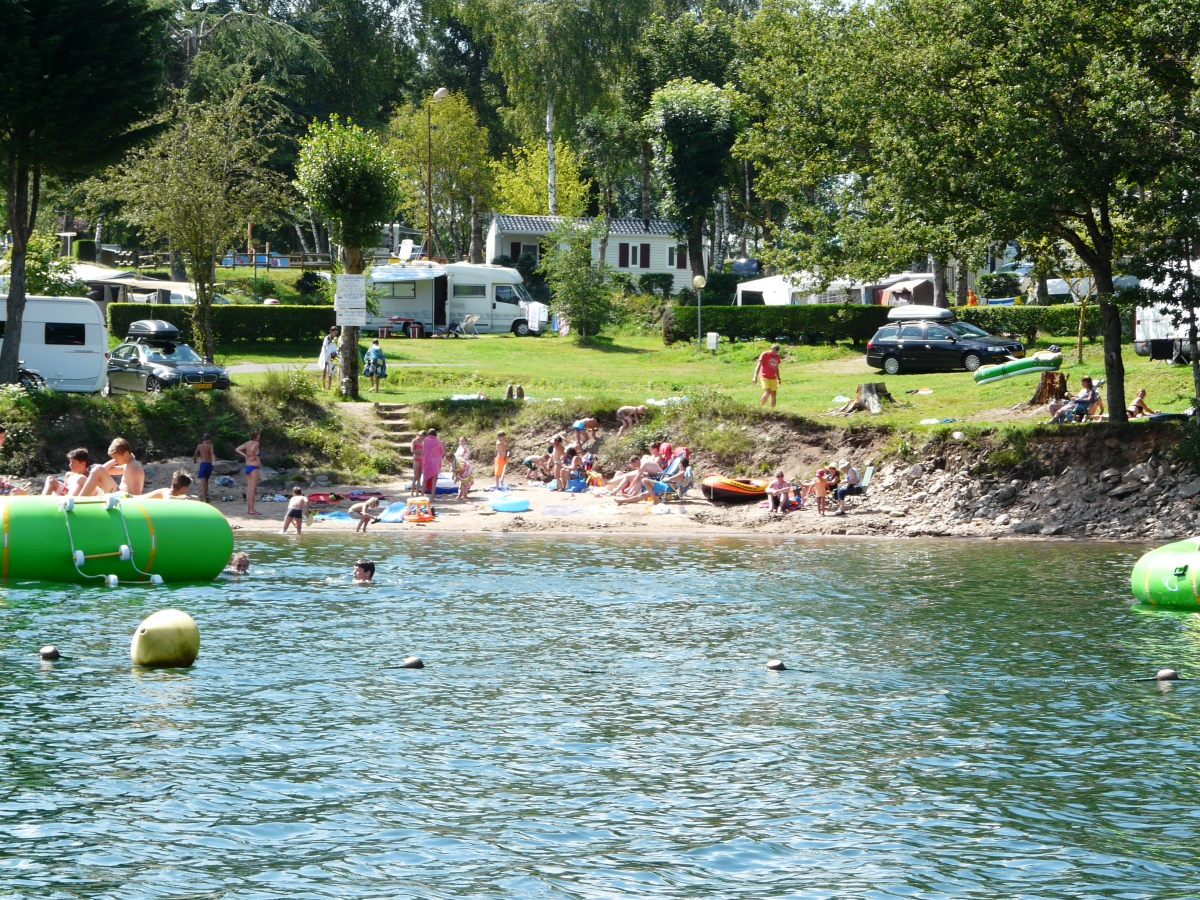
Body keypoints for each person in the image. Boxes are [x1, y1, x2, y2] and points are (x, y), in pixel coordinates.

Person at [78, 437, 145, 496]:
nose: (115, 461)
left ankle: (78, 502)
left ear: (126, 453)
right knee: (85, 477)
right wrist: (115, 460)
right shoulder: (127, 465)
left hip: (123, 498)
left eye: (116, 458)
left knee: (98, 469)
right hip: (118, 493)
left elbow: (136, 495)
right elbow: (105, 470)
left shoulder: (133, 467)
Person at [235, 429, 262, 515]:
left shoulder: (247, 443)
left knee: (249, 489)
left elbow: (237, 449)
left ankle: (249, 508)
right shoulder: (256, 443)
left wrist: (246, 455)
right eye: (259, 435)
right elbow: (253, 448)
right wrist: (254, 455)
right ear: (256, 435)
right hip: (254, 467)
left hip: (248, 466)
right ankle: (252, 509)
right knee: (253, 489)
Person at [753, 343, 783, 407]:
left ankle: (772, 410)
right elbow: (759, 365)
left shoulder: (777, 356)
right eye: (774, 351)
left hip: (773, 378)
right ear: (771, 349)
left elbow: (776, 367)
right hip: (764, 377)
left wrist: (779, 378)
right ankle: (761, 406)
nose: (775, 353)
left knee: (774, 394)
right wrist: (755, 376)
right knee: (768, 392)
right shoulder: (765, 354)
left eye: (776, 352)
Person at [422, 428, 445, 503]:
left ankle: (422, 496)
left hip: (427, 462)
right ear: (435, 434)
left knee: (425, 480)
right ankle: (432, 497)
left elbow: (423, 450)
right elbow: (442, 452)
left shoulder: (425, 440)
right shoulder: (438, 442)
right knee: (434, 481)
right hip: (435, 463)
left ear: (428, 434)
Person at [193, 433, 215, 502]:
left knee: (203, 483)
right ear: (208, 440)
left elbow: (195, 454)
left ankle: (204, 498)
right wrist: (214, 461)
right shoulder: (210, 446)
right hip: (209, 464)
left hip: (203, 464)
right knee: (206, 481)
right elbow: (212, 454)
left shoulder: (199, 446)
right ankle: (206, 496)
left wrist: (195, 459)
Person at [318, 326, 340, 391]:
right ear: (331, 331)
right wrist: (328, 353)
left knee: (331, 371)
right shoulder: (327, 338)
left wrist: (335, 353)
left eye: (336, 332)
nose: (335, 333)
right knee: (324, 371)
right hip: (326, 356)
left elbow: (337, 347)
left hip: (333, 356)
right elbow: (325, 347)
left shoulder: (336, 339)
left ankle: (329, 387)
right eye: (334, 332)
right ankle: (323, 386)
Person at [411, 430, 426, 495]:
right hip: (416, 458)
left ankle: (417, 492)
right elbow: (412, 450)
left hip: (421, 459)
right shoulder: (414, 441)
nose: (423, 439)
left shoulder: (423, 442)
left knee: (420, 476)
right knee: (416, 475)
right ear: (420, 435)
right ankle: (412, 492)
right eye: (422, 437)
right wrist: (419, 452)